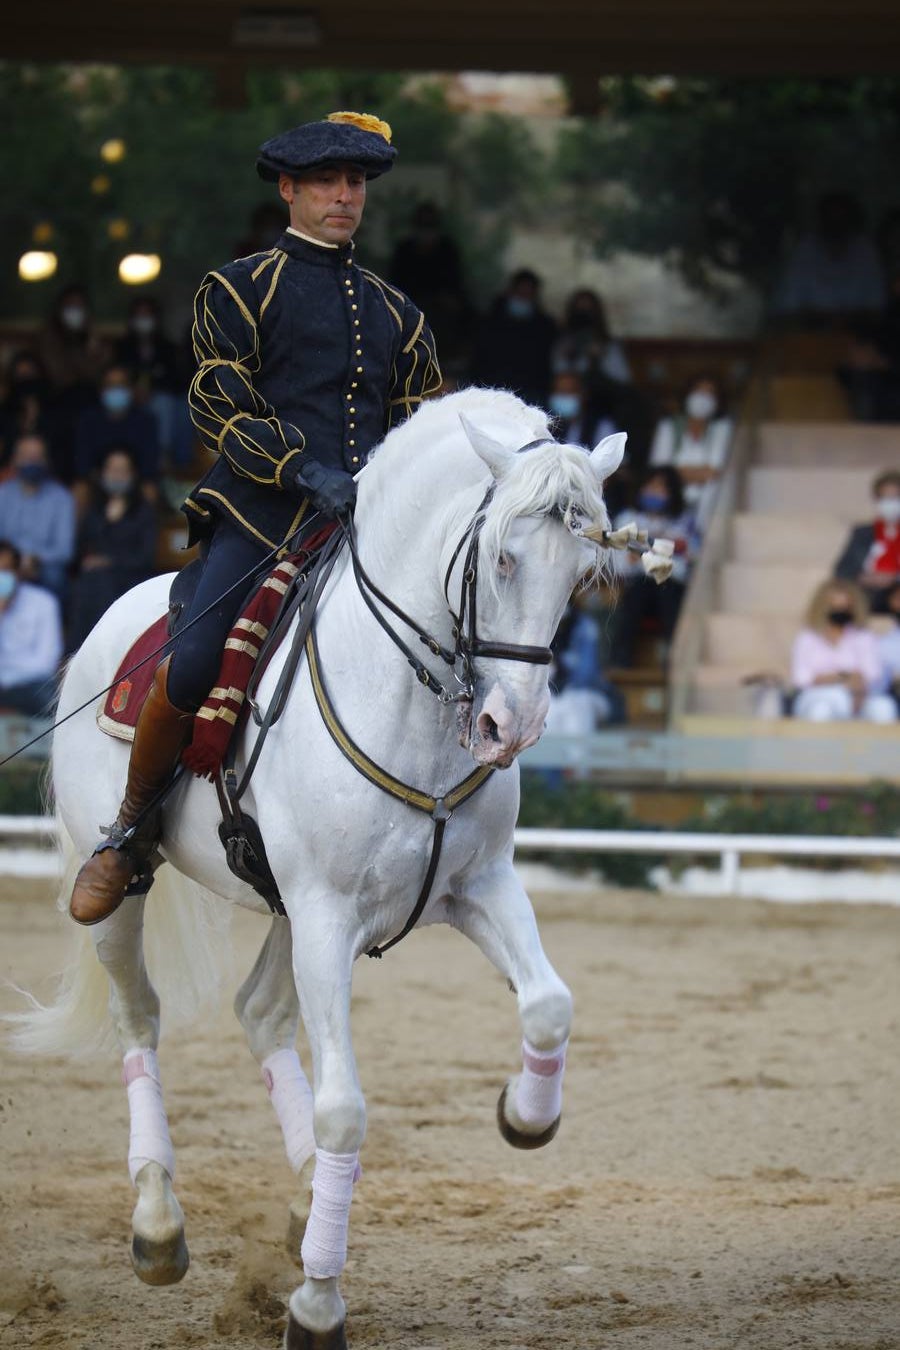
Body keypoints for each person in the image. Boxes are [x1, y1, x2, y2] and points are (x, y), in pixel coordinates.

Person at [68, 109, 441, 928]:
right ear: (290, 189)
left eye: (356, 184)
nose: (345, 197)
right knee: (197, 659)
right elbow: (217, 400)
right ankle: (127, 833)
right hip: (261, 513)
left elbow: (420, 425)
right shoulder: (237, 286)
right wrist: (303, 470)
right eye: (327, 183)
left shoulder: (397, 313)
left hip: (364, 526)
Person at [67, 447, 159, 651]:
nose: (116, 476)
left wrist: (110, 561)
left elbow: (146, 557)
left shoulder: (143, 511)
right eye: (112, 470)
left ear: (132, 475)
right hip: (93, 580)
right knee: (89, 583)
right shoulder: (95, 509)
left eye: (122, 470)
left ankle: (101, 648)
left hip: (130, 580)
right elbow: (79, 550)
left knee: (101, 581)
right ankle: (78, 652)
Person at [608, 466, 699, 669]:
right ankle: (619, 663)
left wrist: (644, 552)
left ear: (672, 493)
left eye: (661, 489)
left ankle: (674, 659)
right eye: (651, 487)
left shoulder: (684, 521)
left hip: (671, 589)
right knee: (636, 594)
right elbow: (622, 565)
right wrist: (660, 549)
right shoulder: (627, 519)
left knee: (668, 592)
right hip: (637, 588)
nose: (654, 493)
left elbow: (685, 563)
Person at [791, 579, 895, 723]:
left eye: (844, 608)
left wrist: (856, 686)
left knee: (884, 708)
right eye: (835, 607)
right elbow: (801, 679)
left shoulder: (863, 637)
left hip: (859, 696)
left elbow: (873, 674)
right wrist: (841, 677)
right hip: (817, 697)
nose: (840, 612)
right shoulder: (808, 638)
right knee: (824, 709)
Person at [775, 192, 886, 323]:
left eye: (841, 219)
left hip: (858, 334)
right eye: (831, 219)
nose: (836, 224)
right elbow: (788, 308)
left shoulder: (866, 251)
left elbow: (877, 307)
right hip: (811, 334)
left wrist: (846, 319)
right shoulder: (805, 250)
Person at [116, 297, 194, 469]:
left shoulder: (167, 348)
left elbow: (178, 381)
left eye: (147, 315)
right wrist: (132, 390)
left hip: (162, 398)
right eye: (139, 315)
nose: (144, 320)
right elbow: (114, 377)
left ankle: (174, 462)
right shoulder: (122, 347)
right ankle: (159, 458)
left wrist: (153, 388)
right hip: (128, 400)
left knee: (174, 405)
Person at [648, 373, 732, 530]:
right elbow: (660, 470)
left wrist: (679, 472)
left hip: (705, 503)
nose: (703, 398)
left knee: (715, 487)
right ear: (688, 395)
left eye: (709, 393)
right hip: (671, 498)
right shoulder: (669, 426)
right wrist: (699, 473)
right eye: (698, 391)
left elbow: (716, 471)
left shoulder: (722, 429)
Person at [0, 432, 75, 599]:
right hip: (5, 562)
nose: (32, 462)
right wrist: (12, 561)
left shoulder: (61, 497)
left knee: (54, 575)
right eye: (26, 457)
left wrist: (33, 558)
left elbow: (65, 551)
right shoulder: (3, 493)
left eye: (37, 457)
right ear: (14, 460)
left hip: (42, 565)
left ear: (46, 461)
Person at [468, 268, 557, 408]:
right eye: (520, 293)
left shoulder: (544, 327)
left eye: (528, 294)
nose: (523, 298)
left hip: (530, 394)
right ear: (511, 292)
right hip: (489, 390)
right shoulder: (489, 322)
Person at [73, 362, 161, 497]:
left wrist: (126, 478)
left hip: (134, 484)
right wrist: (107, 480)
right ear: (102, 390)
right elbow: (83, 465)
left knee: (150, 490)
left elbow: (149, 467)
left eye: (121, 385)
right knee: (80, 489)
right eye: (111, 385)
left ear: (131, 389)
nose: (116, 389)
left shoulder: (146, 421)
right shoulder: (88, 420)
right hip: (98, 483)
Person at [0, 540, 62, 717]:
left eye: (5, 570)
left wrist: (8, 677)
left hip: (28, 685)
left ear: (17, 573)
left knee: (49, 700)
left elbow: (46, 663)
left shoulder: (44, 602)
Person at [834, 468, 900, 613]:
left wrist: (893, 578)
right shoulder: (862, 534)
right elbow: (842, 571)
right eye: (886, 498)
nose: (891, 504)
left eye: (895, 498)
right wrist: (865, 578)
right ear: (877, 501)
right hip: (867, 595)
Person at [552, 287, 631, 385]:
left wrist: (599, 359)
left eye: (588, 311)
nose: (584, 317)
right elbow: (558, 375)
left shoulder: (610, 346)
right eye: (580, 311)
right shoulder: (562, 343)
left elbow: (622, 379)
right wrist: (570, 356)